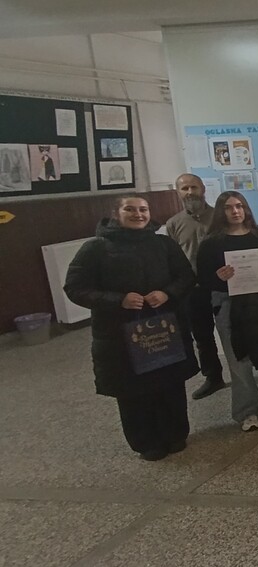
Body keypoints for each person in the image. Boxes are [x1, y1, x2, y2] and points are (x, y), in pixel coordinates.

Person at [65, 196, 198, 460]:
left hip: (164, 327)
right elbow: (76, 288)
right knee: (133, 390)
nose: (138, 214)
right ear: (116, 213)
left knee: (170, 384)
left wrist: (167, 293)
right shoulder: (95, 248)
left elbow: (185, 276)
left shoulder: (164, 244)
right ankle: (146, 442)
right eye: (130, 209)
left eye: (143, 209)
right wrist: (119, 300)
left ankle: (175, 434)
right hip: (119, 333)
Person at [197, 191, 258, 431]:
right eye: (229, 207)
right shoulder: (211, 244)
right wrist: (219, 278)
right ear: (221, 212)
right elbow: (203, 279)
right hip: (229, 303)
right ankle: (247, 411)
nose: (235, 211)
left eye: (239, 206)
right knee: (239, 359)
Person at [164, 172, 226, 400]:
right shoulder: (173, 224)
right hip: (194, 289)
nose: (190, 192)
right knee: (202, 335)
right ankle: (213, 377)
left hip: (223, 285)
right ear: (178, 192)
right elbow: (172, 259)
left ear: (203, 189)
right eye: (184, 188)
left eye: (194, 187)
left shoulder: (220, 217)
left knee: (233, 330)